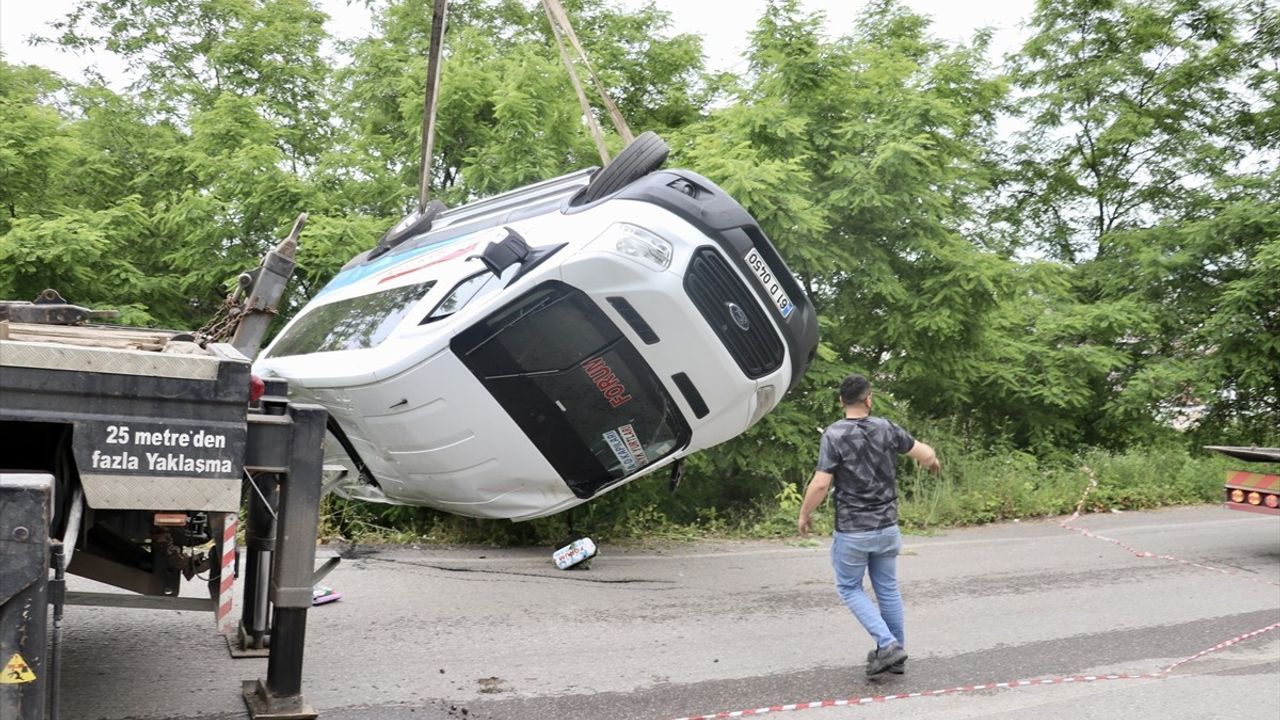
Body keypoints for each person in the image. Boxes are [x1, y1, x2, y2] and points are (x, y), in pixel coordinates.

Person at [797, 373, 940, 677]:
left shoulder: (834, 435)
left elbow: (821, 484)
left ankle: (888, 645)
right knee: (887, 588)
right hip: (887, 527)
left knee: (849, 587)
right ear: (869, 399)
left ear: (841, 402)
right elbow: (925, 452)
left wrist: (804, 514)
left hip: (853, 530)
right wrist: (932, 463)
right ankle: (896, 655)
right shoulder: (886, 428)